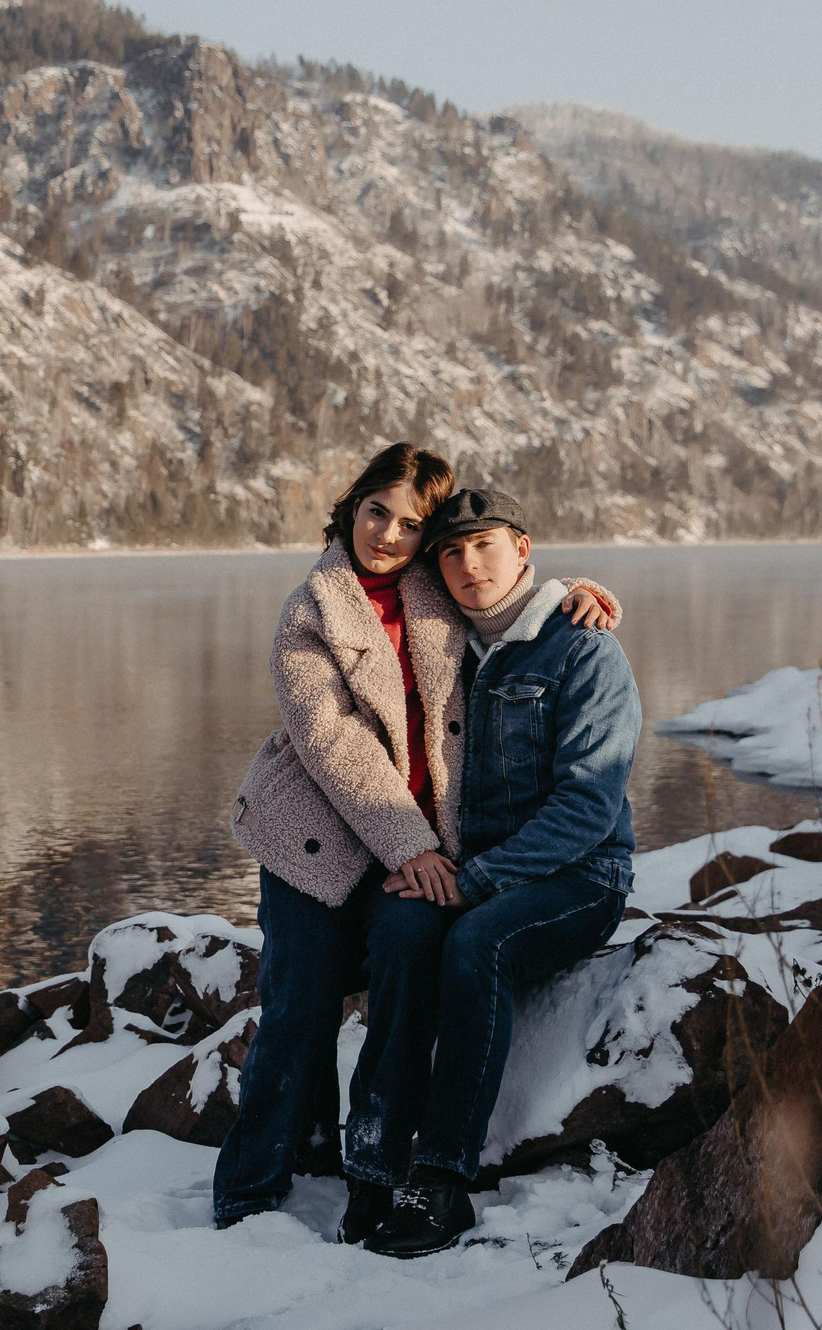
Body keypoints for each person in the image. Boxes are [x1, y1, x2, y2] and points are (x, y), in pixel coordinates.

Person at [216, 447, 618, 1235]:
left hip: (416, 846)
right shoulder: (311, 609)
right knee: (298, 1001)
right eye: (376, 512)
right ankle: (249, 1184)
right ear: (351, 508)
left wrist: (580, 597)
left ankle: (372, 1165)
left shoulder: (435, 589)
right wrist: (414, 848)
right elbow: (336, 745)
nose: (389, 535)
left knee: (409, 963)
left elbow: (508, 594)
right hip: (318, 832)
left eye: (410, 524)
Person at [355, 486, 642, 1258]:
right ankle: (372, 1164)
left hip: (580, 876)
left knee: (475, 941)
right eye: (450, 551)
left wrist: (478, 881)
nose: (467, 563)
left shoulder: (583, 646)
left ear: (523, 549)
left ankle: (442, 1178)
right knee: (403, 930)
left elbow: (588, 807)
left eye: (484, 545)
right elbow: (361, 585)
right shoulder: (447, 644)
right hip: (475, 866)